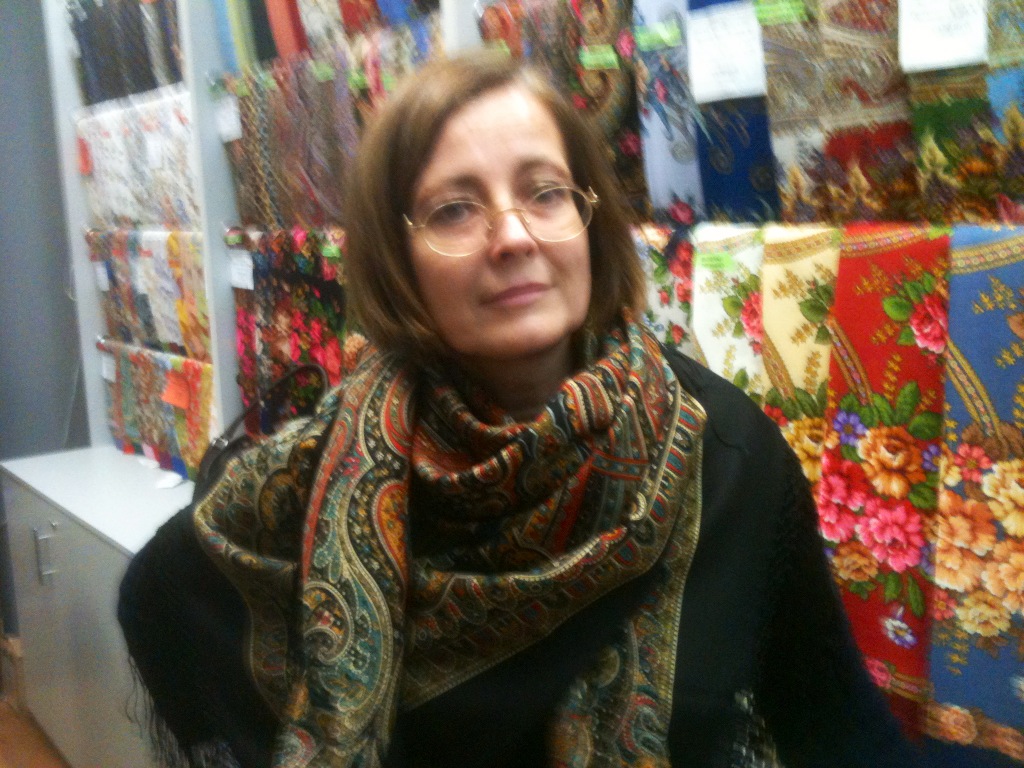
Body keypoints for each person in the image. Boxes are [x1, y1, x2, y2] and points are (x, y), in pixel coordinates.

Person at [118, 51, 925, 768]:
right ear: (397, 259)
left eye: (544, 193)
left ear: (588, 219)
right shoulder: (322, 469)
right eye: (454, 209)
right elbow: (161, 596)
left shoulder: (732, 461)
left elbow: (837, 727)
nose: (512, 236)